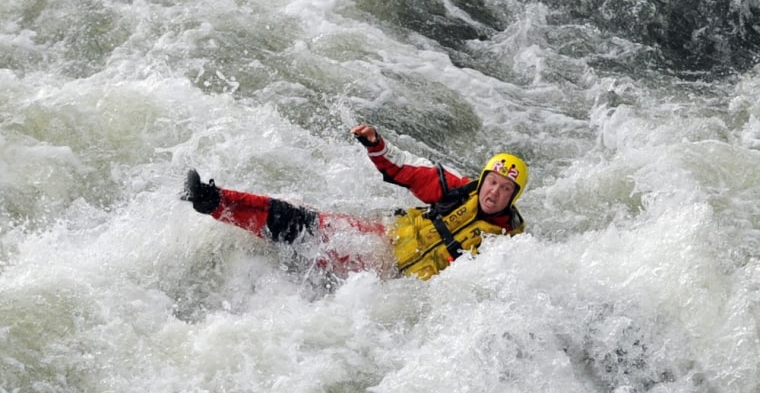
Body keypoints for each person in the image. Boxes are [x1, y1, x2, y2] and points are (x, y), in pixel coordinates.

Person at [181, 124, 528, 280]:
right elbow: (407, 169)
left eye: (504, 189)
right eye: (492, 182)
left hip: (400, 287)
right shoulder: (458, 191)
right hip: (383, 247)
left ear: (514, 198)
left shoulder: (507, 246)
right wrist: (377, 145)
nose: (494, 192)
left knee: (305, 250)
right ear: (482, 179)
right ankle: (213, 200)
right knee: (305, 225)